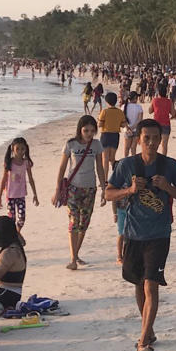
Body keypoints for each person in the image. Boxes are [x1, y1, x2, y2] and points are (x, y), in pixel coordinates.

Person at [106, 119, 176, 351]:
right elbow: (108, 193)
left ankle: (142, 342)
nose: (151, 143)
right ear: (138, 139)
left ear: (161, 139)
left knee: (151, 284)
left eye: (155, 138)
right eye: (147, 138)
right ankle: (148, 329)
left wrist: (167, 187)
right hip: (133, 234)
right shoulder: (127, 165)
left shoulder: (170, 165)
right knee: (138, 283)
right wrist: (129, 190)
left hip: (159, 234)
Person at [53, 115, 106, 270]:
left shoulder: (96, 145)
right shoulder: (71, 144)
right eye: (86, 130)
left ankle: (75, 254)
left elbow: (100, 167)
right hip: (73, 189)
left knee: (84, 224)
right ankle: (73, 259)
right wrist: (57, 190)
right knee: (74, 222)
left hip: (90, 189)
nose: (89, 133)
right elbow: (62, 167)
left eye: (92, 130)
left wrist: (104, 188)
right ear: (80, 130)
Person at [0, 137, 38, 234]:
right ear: (13, 149)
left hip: (21, 195)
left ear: (26, 149)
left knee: (22, 219)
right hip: (10, 196)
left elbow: (31, 179)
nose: (20, 151)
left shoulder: (26, 163)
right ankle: (14, 235)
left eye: (22, 149)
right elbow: (3, 179)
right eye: (17, 149)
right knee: (12, 219)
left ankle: (17, 233)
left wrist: (35, 194)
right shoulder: (9, 163)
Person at [98, 92, 127, 176]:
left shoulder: (104, 111)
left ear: (107, 101)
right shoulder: (120, 112)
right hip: (115, 135)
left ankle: (105, 179)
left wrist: (99, 120)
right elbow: (123, 124)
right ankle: (115, 176)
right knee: (112, 158)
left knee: (105, 159)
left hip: (105, 135)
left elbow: (100, 125)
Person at [148, 83, 174, 155]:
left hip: (156, 124)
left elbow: (150, 111)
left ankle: (154, 157)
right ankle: (163, 159)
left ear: (158, 92)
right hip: (166, 124)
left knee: (154, 143)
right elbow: (173, 113)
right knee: (164, 145)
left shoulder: (155, 100)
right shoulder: (169, 101)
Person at [123, 91, 144, 158]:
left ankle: (125, 160)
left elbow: (123, 119)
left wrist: (128, 128)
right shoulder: (139, 107)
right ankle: (133, 161)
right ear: (135, 98)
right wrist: (133, 128)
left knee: (126, 147)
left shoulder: (124, 106)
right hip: (136, 129)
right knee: (133, 147)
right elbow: (140, 120)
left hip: (127, 129)